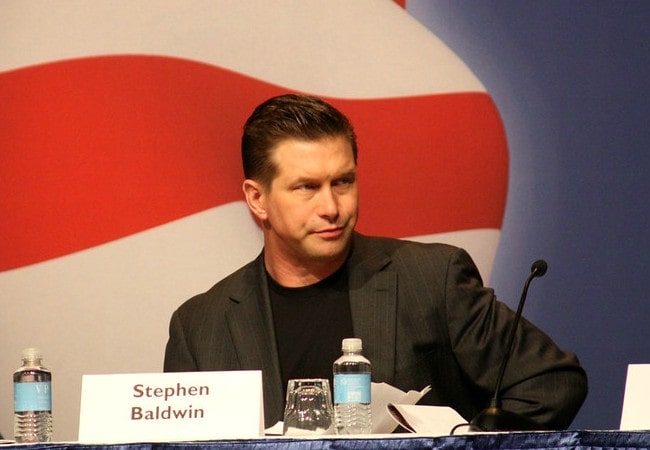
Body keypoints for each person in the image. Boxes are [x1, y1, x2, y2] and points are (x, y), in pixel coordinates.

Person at [164, 94, 587, 430]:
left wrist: (460, 444)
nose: (332, 207)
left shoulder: (431, 279)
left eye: (343, 181)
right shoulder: (201, 326)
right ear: (257, 199)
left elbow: (551, 383)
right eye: (307, 187)